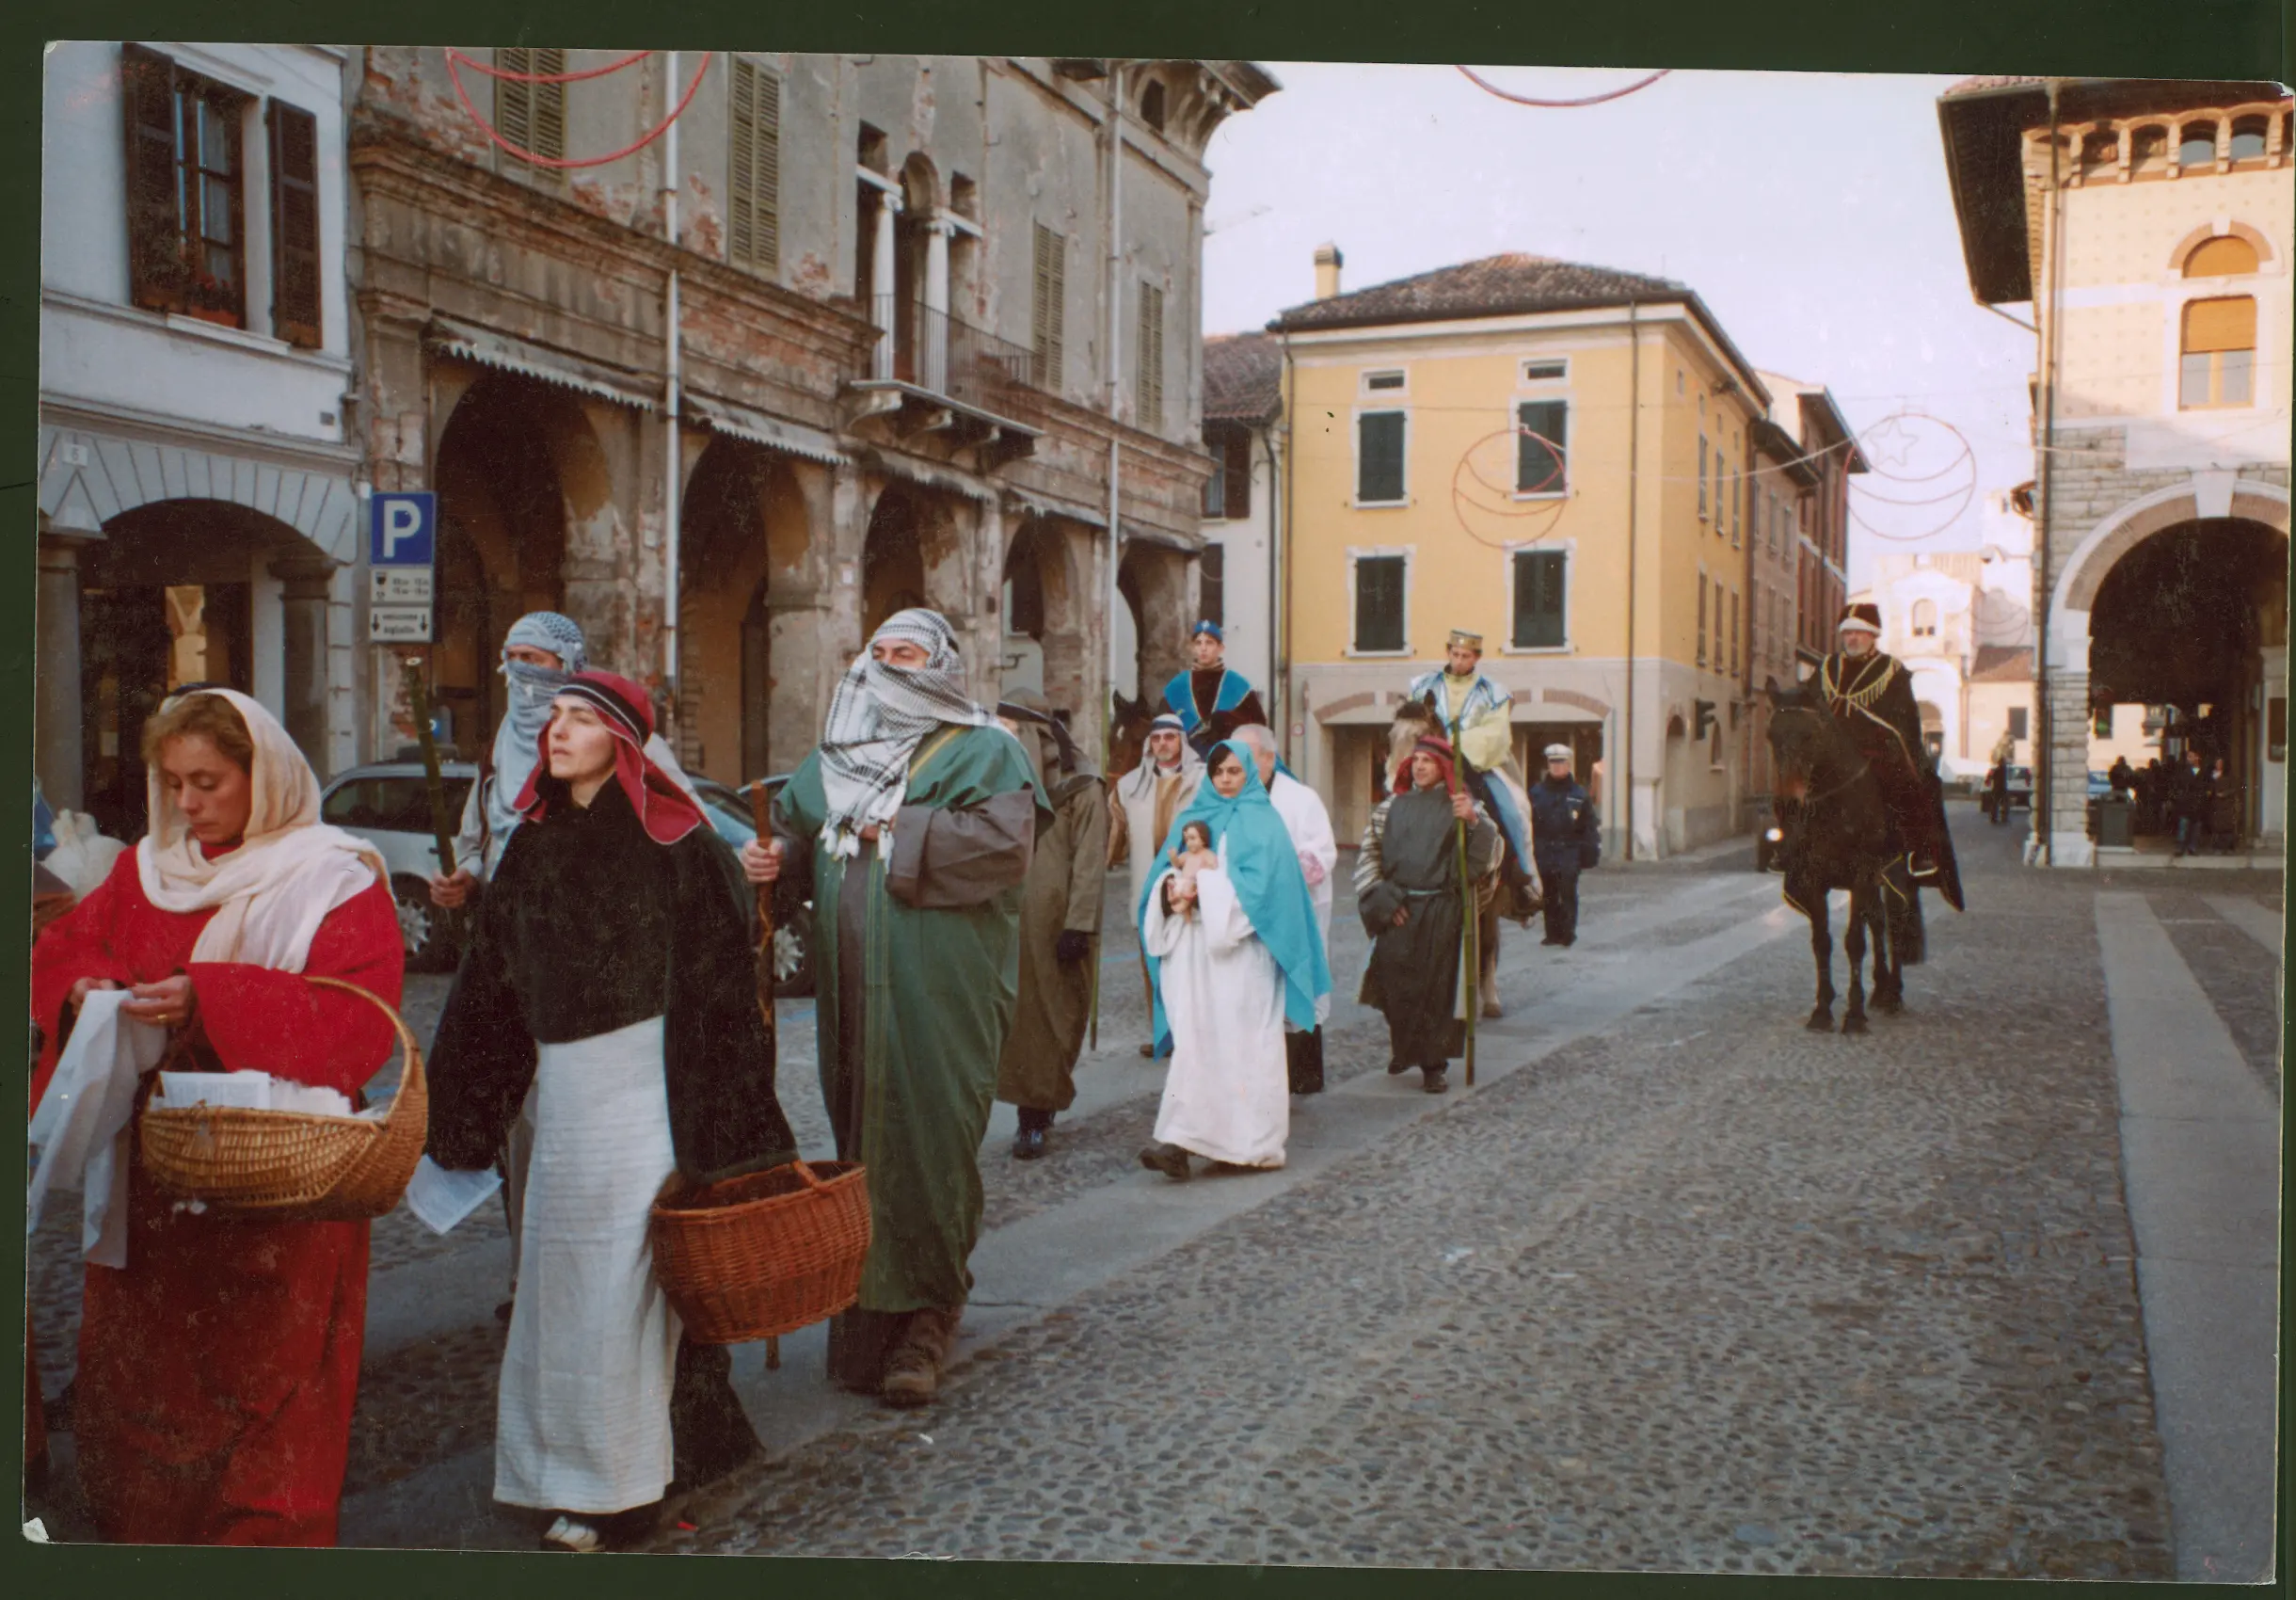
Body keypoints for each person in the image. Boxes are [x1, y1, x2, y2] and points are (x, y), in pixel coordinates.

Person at [423, 671, 798, 1554]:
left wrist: (728, 1133)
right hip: (563, 1102)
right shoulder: (530, 846)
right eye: (553, 716)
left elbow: (722, 996)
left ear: (623, 742)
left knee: (619, 1290)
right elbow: (490, 988)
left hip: (643, 1096)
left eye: (581, 718)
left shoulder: (678, 843)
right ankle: (557, 1473)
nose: (557, 730)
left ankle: (617, 1491)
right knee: (556, 1287)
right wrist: (460, 1117)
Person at [30, 688, 404, 1545]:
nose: (188, 803)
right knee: (152, 1375)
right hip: (156, 1174)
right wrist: (83, 985)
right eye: (173, 783)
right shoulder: (146, 869)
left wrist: (210, 998)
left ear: (262, 778)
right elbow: (70, 945)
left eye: (208, 783)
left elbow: (358, 1022)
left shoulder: (334, 876)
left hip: (280, 1181)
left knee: (273, 1383)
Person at [741, 609, 1044, 1409]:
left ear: (940, 666)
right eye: (877, 654)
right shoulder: (838, 755)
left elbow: (1005, 847)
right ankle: (866, 1321)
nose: (886, 666)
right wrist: (775, 859)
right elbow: (803, 835)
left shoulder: (985, 749)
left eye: (905, 654)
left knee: (931, 1138)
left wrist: (897, 827)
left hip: (940, 990)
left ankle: (927, 1320)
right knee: (861, 1141)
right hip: (851, 993)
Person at [1138, 742, 1331, 1178]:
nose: (1224, 780)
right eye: (1218, 771)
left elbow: (1266, 893)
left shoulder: (1266, 824)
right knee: (1196, 1047)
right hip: (1195, 955)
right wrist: (1172, 890)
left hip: (1244, 957)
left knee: (1242, 1048)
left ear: (1249, 773)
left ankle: (1248, 1145)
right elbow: (1161, 876)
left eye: (1233, 771)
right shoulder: (1193, 818)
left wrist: (1203, 892)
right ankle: (1180, 1143)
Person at [994, 690, 1109, 1160]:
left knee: (1052, 1020)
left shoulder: (1081, 786)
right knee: (1016, 1020)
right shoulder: (1000, 780)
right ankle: (1031, 1108)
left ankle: (1036, 1115)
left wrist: (1078, 925)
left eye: (1009, 730)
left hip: (1057, 926)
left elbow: (1090, 862)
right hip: (1007, 921)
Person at [1356, 735, 1500, 1095]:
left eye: (1428, 761)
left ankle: (1433, 1066)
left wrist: (1474, 822)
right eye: (1416, 760)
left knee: (1436, 993)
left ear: (1444, 767)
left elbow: (1488, 855)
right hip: (1398, 907)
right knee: (1394, 985)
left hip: (1440, 910)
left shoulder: (1462, 805)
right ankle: (1405, 1049)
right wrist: (1384, 901)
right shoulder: (1390, 807)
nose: (1419, 766)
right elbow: (1370, 853)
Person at [1407, 629, 1540, 1003]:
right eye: (1455, 653)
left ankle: (1523, 878)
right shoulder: (1423, 687)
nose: (1459, 660)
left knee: (1511, 808)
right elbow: (1411, 724)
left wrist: (1457, 746)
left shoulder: (1492, 692)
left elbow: (1497, 734)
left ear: (1476, 658)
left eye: (1467, 656)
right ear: (1447, 652)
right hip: (1430, 762)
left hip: (1476, 765)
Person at [1817, 603, 1964, 910]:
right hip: (1833, 752)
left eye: (1859, 632)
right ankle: (1791, 849)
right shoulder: (1827, 668)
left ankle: (1919, 854)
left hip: (1878, 752)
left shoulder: (1891, 670)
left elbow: (1905, 718)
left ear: (1873, 636)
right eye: (1847, 633)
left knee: (1918, 786)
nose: (1852, 638)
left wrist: (1887, 739)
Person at [1231, 724, 1338, 1095]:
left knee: (1297, 989)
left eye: (1247, 756)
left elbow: (1321, 852)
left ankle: (1302, 1075)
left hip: (1293, 911)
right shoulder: (1229, 797)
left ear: (1269, 758)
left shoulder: (1301, 799)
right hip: (1245, 914)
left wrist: (1279, 878)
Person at [1108, 712, 1204, 1057]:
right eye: (1157, 738)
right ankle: (1161, 1035)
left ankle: (1192, 1036)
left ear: (1181, 741)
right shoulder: (1129, 786)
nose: (1162, 743)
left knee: (1190, 963)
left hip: (1188, 884)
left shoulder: (1202, 780)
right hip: (1146, 885)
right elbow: (1115, 833)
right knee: (1152, 962)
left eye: (1169, 737)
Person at [1160, 620, 1268, 758]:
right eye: (1198, 643)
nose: (1203, 648)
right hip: (1187, 762)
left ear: (1221, 648)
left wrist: (1227, 722)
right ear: (1192, 648)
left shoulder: (1237, 685)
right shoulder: (1177, 686)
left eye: (1209, 643)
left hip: (1230, 759)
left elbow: (1259, 728)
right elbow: (1163, 728)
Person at [1529, 744, 1600, 947]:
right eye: (1553, 762)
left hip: (1569, 850)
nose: (1557, 766)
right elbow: (1530, 824)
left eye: (1561, 762)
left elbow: (1588, 826)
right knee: (1548, 894)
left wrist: (1588, 855)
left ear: (1568, 765)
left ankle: (1568, 933)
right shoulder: (1537, 793)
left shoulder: (1579, 794)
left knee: (1567, 892)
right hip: (1544, 850)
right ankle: (1552, 934)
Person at [2169, 748, 2208, 856]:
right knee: (2183, 825)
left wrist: (2203, 797)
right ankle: (2180, 847)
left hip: (2198, 803)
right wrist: (2179, 798)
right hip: (2185, 803)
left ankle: (2192, 847)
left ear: (2197, 757)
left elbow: (2207, 786)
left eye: (2191, 756)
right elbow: (2176, 786)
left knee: (2196, 827)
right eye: (2188, 756)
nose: (2189, 759)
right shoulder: (2183, 772)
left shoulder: (2204, 773)